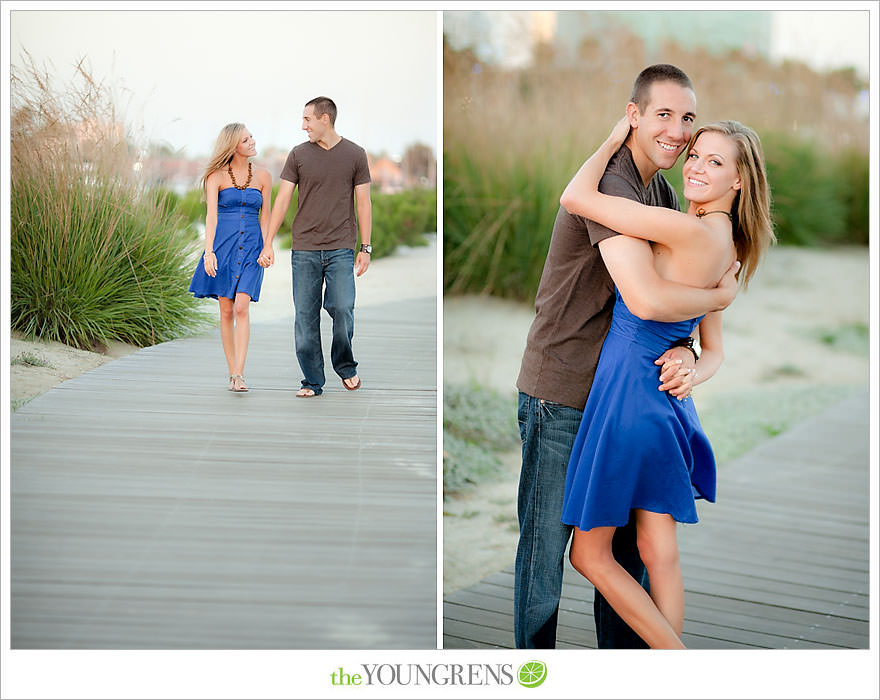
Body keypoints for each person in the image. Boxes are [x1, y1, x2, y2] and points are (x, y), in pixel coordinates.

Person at [514, 64, 742, 649]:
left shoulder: (663, 194)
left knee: (622, 558)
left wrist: (689, 352)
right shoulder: (615, 185)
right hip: (563, 386)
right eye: (662, 114)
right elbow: (646, 297)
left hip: (616, 394)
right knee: (546, 557)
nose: (678, 131)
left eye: (687, 118)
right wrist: (718, 295)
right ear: (633, 115)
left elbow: (665, 304)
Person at [558, 114, 773, 648]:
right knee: (660, 554)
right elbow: (715, 351)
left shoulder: (684, 226)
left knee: (589, 554)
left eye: (715, 162)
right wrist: (690, 365)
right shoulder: (729, 244)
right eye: (696, 154)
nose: (696, 167)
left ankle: (675, 662)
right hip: (667, 403)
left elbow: (576, 196)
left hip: (629, 395)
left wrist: (614, 137)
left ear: (740, 180)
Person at [264, 97, 372, 398]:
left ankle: (345, 365)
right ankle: (312, 380)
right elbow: (283, 198)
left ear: (325, 119)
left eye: (307, 119)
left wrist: (366, 247)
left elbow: (363, 202)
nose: (303, 126)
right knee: (305, 318)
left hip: (341, 247)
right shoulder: (298, 155)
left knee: (341, 306)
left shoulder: (355, 155)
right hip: (305, 249)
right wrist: (269, 242)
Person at [189, 123, 273, 392]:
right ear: (233, 146)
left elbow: (266, 215)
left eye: (251, 137)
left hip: (251, 247)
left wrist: (268, 246)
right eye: (246, 139)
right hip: (223, 247)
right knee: (226, 310)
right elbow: (210, 216)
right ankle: (232, 374)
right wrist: (209, 251)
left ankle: (240, 373)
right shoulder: (216, 176)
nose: (252, 141)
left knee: (241, 307)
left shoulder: (264, 176)